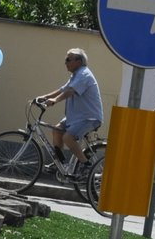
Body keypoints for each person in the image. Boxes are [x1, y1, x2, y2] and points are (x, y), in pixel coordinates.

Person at [33, 48, 105, 178]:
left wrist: (54, 100)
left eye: (68, 59)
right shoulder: (76, 75)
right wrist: (43, 97)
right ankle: (59, 162)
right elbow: (63, 89)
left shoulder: (84, 74)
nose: (65, 62)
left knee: (67, 137)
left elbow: (70, 91)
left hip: (89, 117)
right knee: (57, 130)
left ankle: (85, 165)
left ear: (78, 61)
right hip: (77, 117)